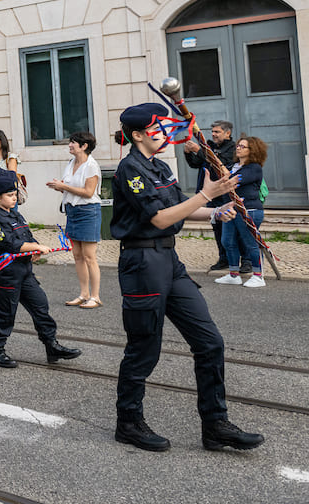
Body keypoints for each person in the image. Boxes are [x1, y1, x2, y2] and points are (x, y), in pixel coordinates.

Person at [111, 103, 263, 453]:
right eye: (158, 128)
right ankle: (129, 422)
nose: (165, 133)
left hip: (169, 260)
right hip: (141, 262)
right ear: (137, 134)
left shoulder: (160, 166)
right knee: (143, 350)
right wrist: (207, 194)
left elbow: (180, 203)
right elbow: (161, 218)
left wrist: (214, 211)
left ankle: (215, 425)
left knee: (210, 342)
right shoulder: (129, 169)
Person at [0, 169, 82, 369]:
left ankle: (51, 345)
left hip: (24, 270)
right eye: (10, 196)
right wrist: (35, 247)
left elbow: (28, 237)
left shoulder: (15, 216)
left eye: (15, 195)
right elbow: (11, 244)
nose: (14, 199)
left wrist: (34, 248)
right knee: (5, 313)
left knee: (40, 306)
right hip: (6, 273)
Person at [46, 132, 103, 308]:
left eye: (73, 143)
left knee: (89, 256)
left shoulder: (91, 165)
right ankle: (84, 293)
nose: (70, 145)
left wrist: (64, 186)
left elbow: (88, 192)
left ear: (84, 146)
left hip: (88, 212)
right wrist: (59, 186)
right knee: (77, 255)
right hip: (72, 211)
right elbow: (69, 187)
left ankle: (95, 296)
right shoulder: (71, 163)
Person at [184, 120, 241, 273]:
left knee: (235, 228)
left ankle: (244, 260)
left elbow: (219, 162)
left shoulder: (233, 148)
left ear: (227, 133)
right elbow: (196, 163)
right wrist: (188, 153)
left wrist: (199, 150)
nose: (214, 134)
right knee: (217, 227)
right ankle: (224, 259)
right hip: (211, 195)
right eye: (213, 131)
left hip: (226, 194)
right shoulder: (210, 146)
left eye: (217, 132)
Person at [215, 135, 268, 288]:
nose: (238, 148)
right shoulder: (234, 166)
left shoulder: (254, 168)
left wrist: (224, 175)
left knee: (250, 243)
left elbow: (234, 181)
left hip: (249, 209)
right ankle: (233, 274)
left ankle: (258, 276)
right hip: (231, 209)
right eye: (238, 145)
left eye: (242, 146)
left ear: (253, 150)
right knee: (227, 241)